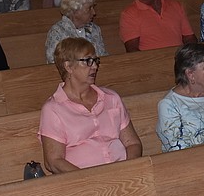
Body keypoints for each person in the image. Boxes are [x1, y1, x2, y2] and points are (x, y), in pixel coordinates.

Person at [39, 37, 142, 173]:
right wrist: (90, 180)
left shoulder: (111, 98)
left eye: (95, 60)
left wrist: (129, 170)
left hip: (123, 173)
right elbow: (54, 161)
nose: (94, 66)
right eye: (87, 61)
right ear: (68, 66)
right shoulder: (53, 109)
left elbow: (132, 143)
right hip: (83, 183)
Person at [44, 0, 108, 63]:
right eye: (89, 8)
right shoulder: (57, 31)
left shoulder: (94, 29)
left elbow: (103, 56)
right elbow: (55, 62)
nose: (94, 12)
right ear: (75, 11)